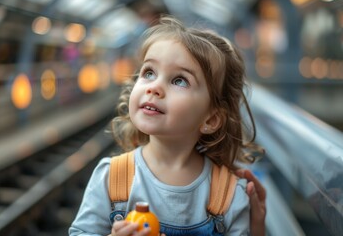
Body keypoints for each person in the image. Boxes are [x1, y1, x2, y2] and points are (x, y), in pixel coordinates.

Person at [69, 15, 265, 236]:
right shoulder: (111, 177)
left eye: (179, 80)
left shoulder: (229, 195)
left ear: (210, 120)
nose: (154, 87)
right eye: (149, 72)